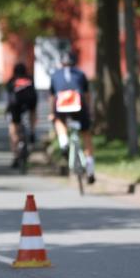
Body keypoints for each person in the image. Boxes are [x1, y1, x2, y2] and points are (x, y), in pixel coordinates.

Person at [48, 49, 95, 184]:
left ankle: (64, 142)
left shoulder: (55, 75)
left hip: (62, 104)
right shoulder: (80, 74)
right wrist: (89, 111)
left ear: (61, 63)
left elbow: (52, 97)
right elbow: (87, 95)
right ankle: (90, 169)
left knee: (58, 121)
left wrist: (52, 113)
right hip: (79, 104)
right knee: (86, 135)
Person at [5, 62, 37, 168]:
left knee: (13, 129)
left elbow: (9, 97)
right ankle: (32, 132)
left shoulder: (11, 81)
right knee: (33, 111)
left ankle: (16, 155)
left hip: (15, 106)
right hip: (30, 103)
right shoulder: (30, 79)